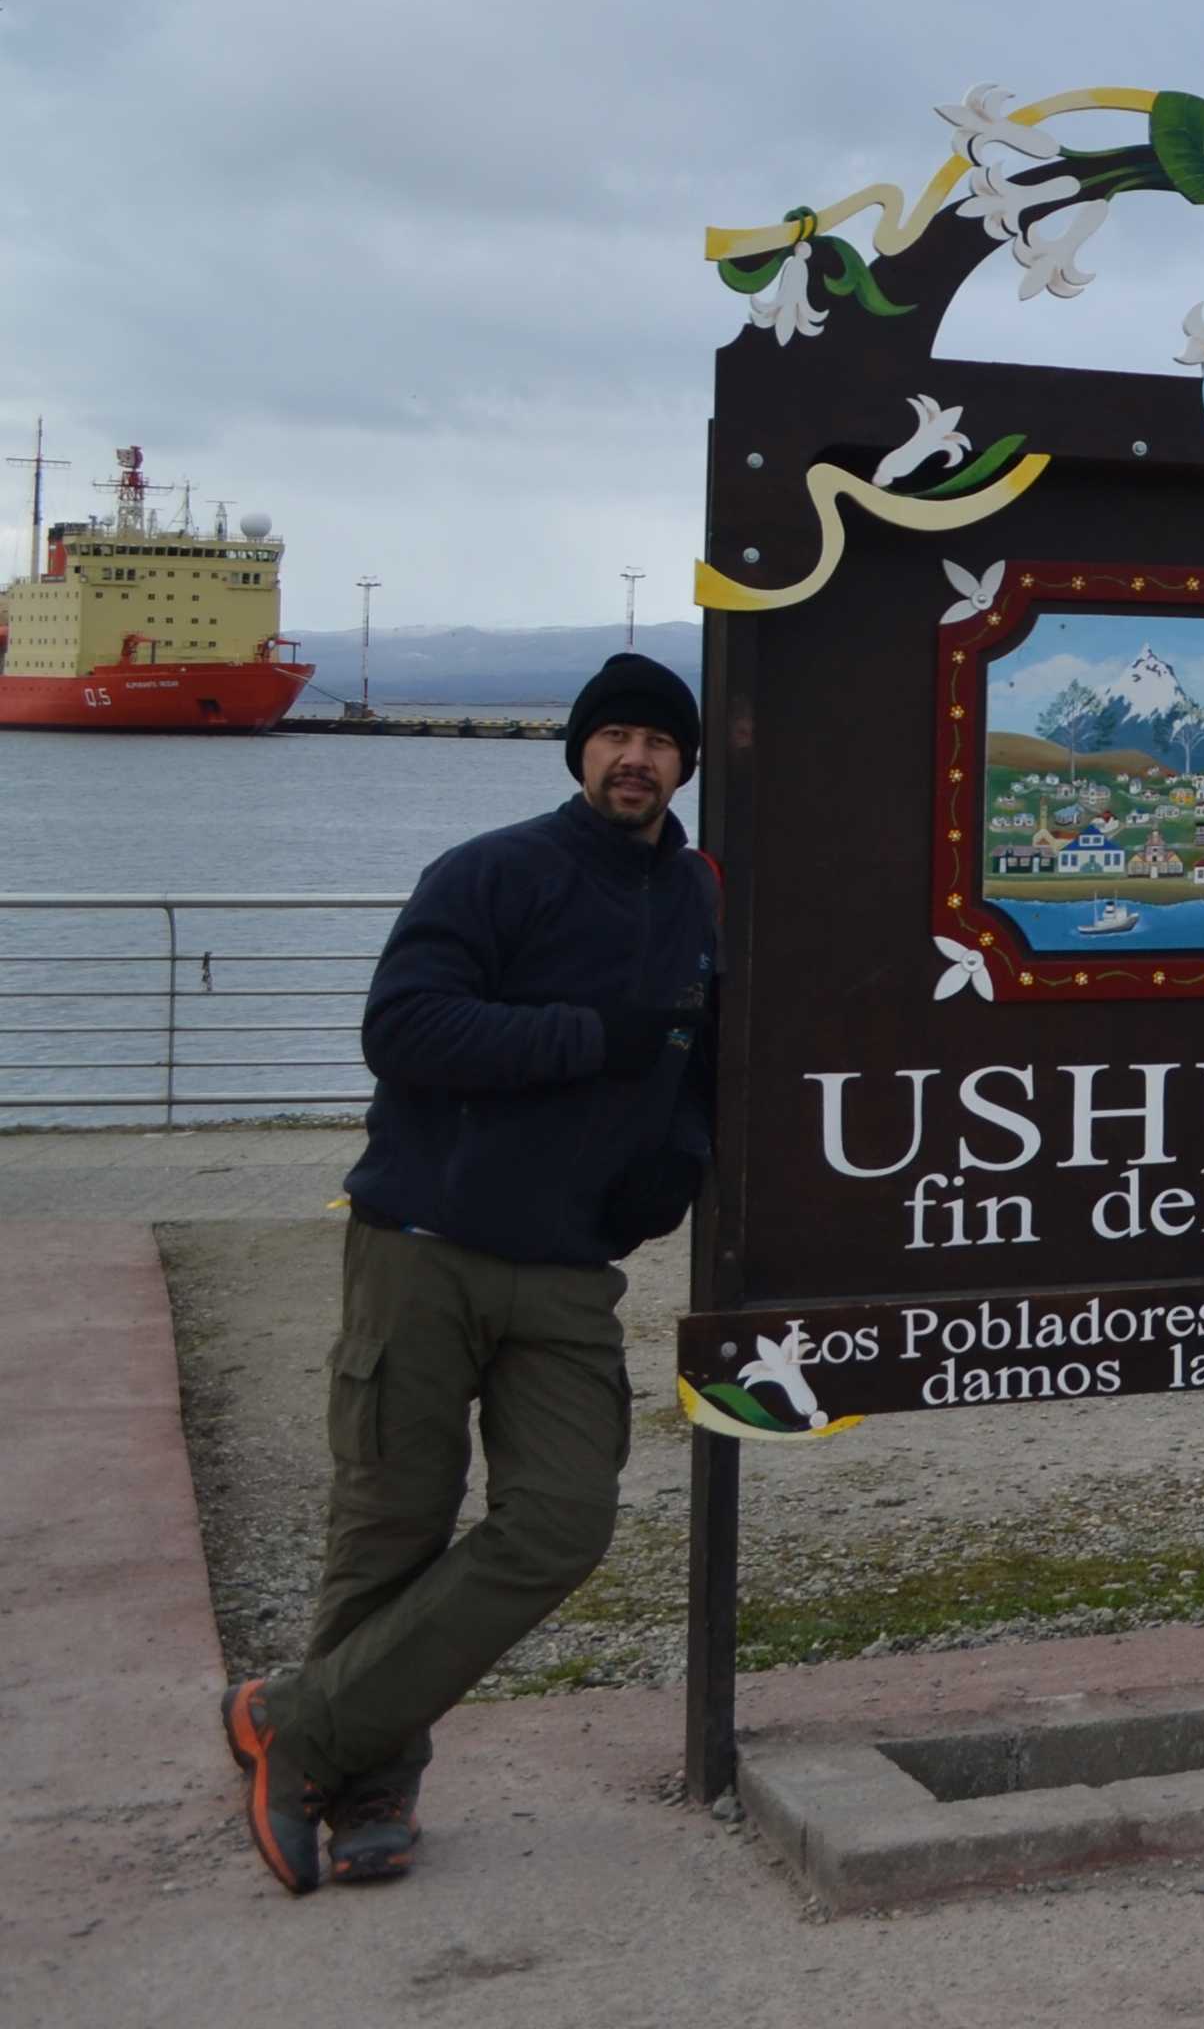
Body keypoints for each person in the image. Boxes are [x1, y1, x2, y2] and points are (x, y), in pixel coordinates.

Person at [219, 653, 718, 1894]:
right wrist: (588, 1039)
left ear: (685, 766)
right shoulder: (492, 871)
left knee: (561, 1523)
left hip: (569, 1269)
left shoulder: (704, 900)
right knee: (392, 1521)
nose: (635, 759)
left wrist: (673, 1169)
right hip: (423, 1248)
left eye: (659, 742)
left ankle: (295, 1720)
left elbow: (706, 1056)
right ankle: (369, 1782)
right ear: (579, 752)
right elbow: (402, 1027)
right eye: (614, 737)